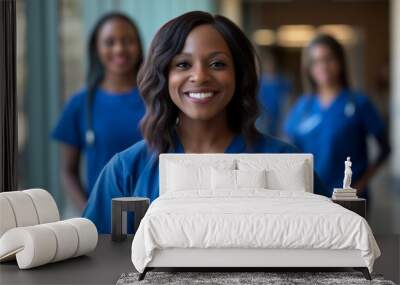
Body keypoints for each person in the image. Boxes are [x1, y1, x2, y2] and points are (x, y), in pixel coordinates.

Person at [83, 11, 326, 234]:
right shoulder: (126, 170)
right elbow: (92, 257)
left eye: (217, 64)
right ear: (164, 75)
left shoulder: (286, 162)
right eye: (182, 64)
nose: (199, 76)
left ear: (239, 75)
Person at [52, 12, 145, 211]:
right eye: (110, 42)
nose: (119, 49)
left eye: (128, 41)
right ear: (96, 48)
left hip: (154, 214)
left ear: (139, 46)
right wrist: (89, 212)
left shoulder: (158, 100)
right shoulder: (79, 104)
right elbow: (68, 171)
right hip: (103, 222)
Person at [284, 34, 390, 199]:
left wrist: (360, 185)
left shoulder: (359, 103)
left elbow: (385, 149)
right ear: (308, 68)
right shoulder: (303, 107)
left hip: (350, 198)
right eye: (315, 62)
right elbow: (290, 152)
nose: (323, 66)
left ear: (340, 61)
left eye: (329, 59)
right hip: (313, 198)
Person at [256, 46, 292, 137]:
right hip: (264, 121)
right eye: (267, 62)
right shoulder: (259, 83)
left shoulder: (284, 81)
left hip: (280, 119)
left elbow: (288, 104)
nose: (270, 64)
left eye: (272, 61)